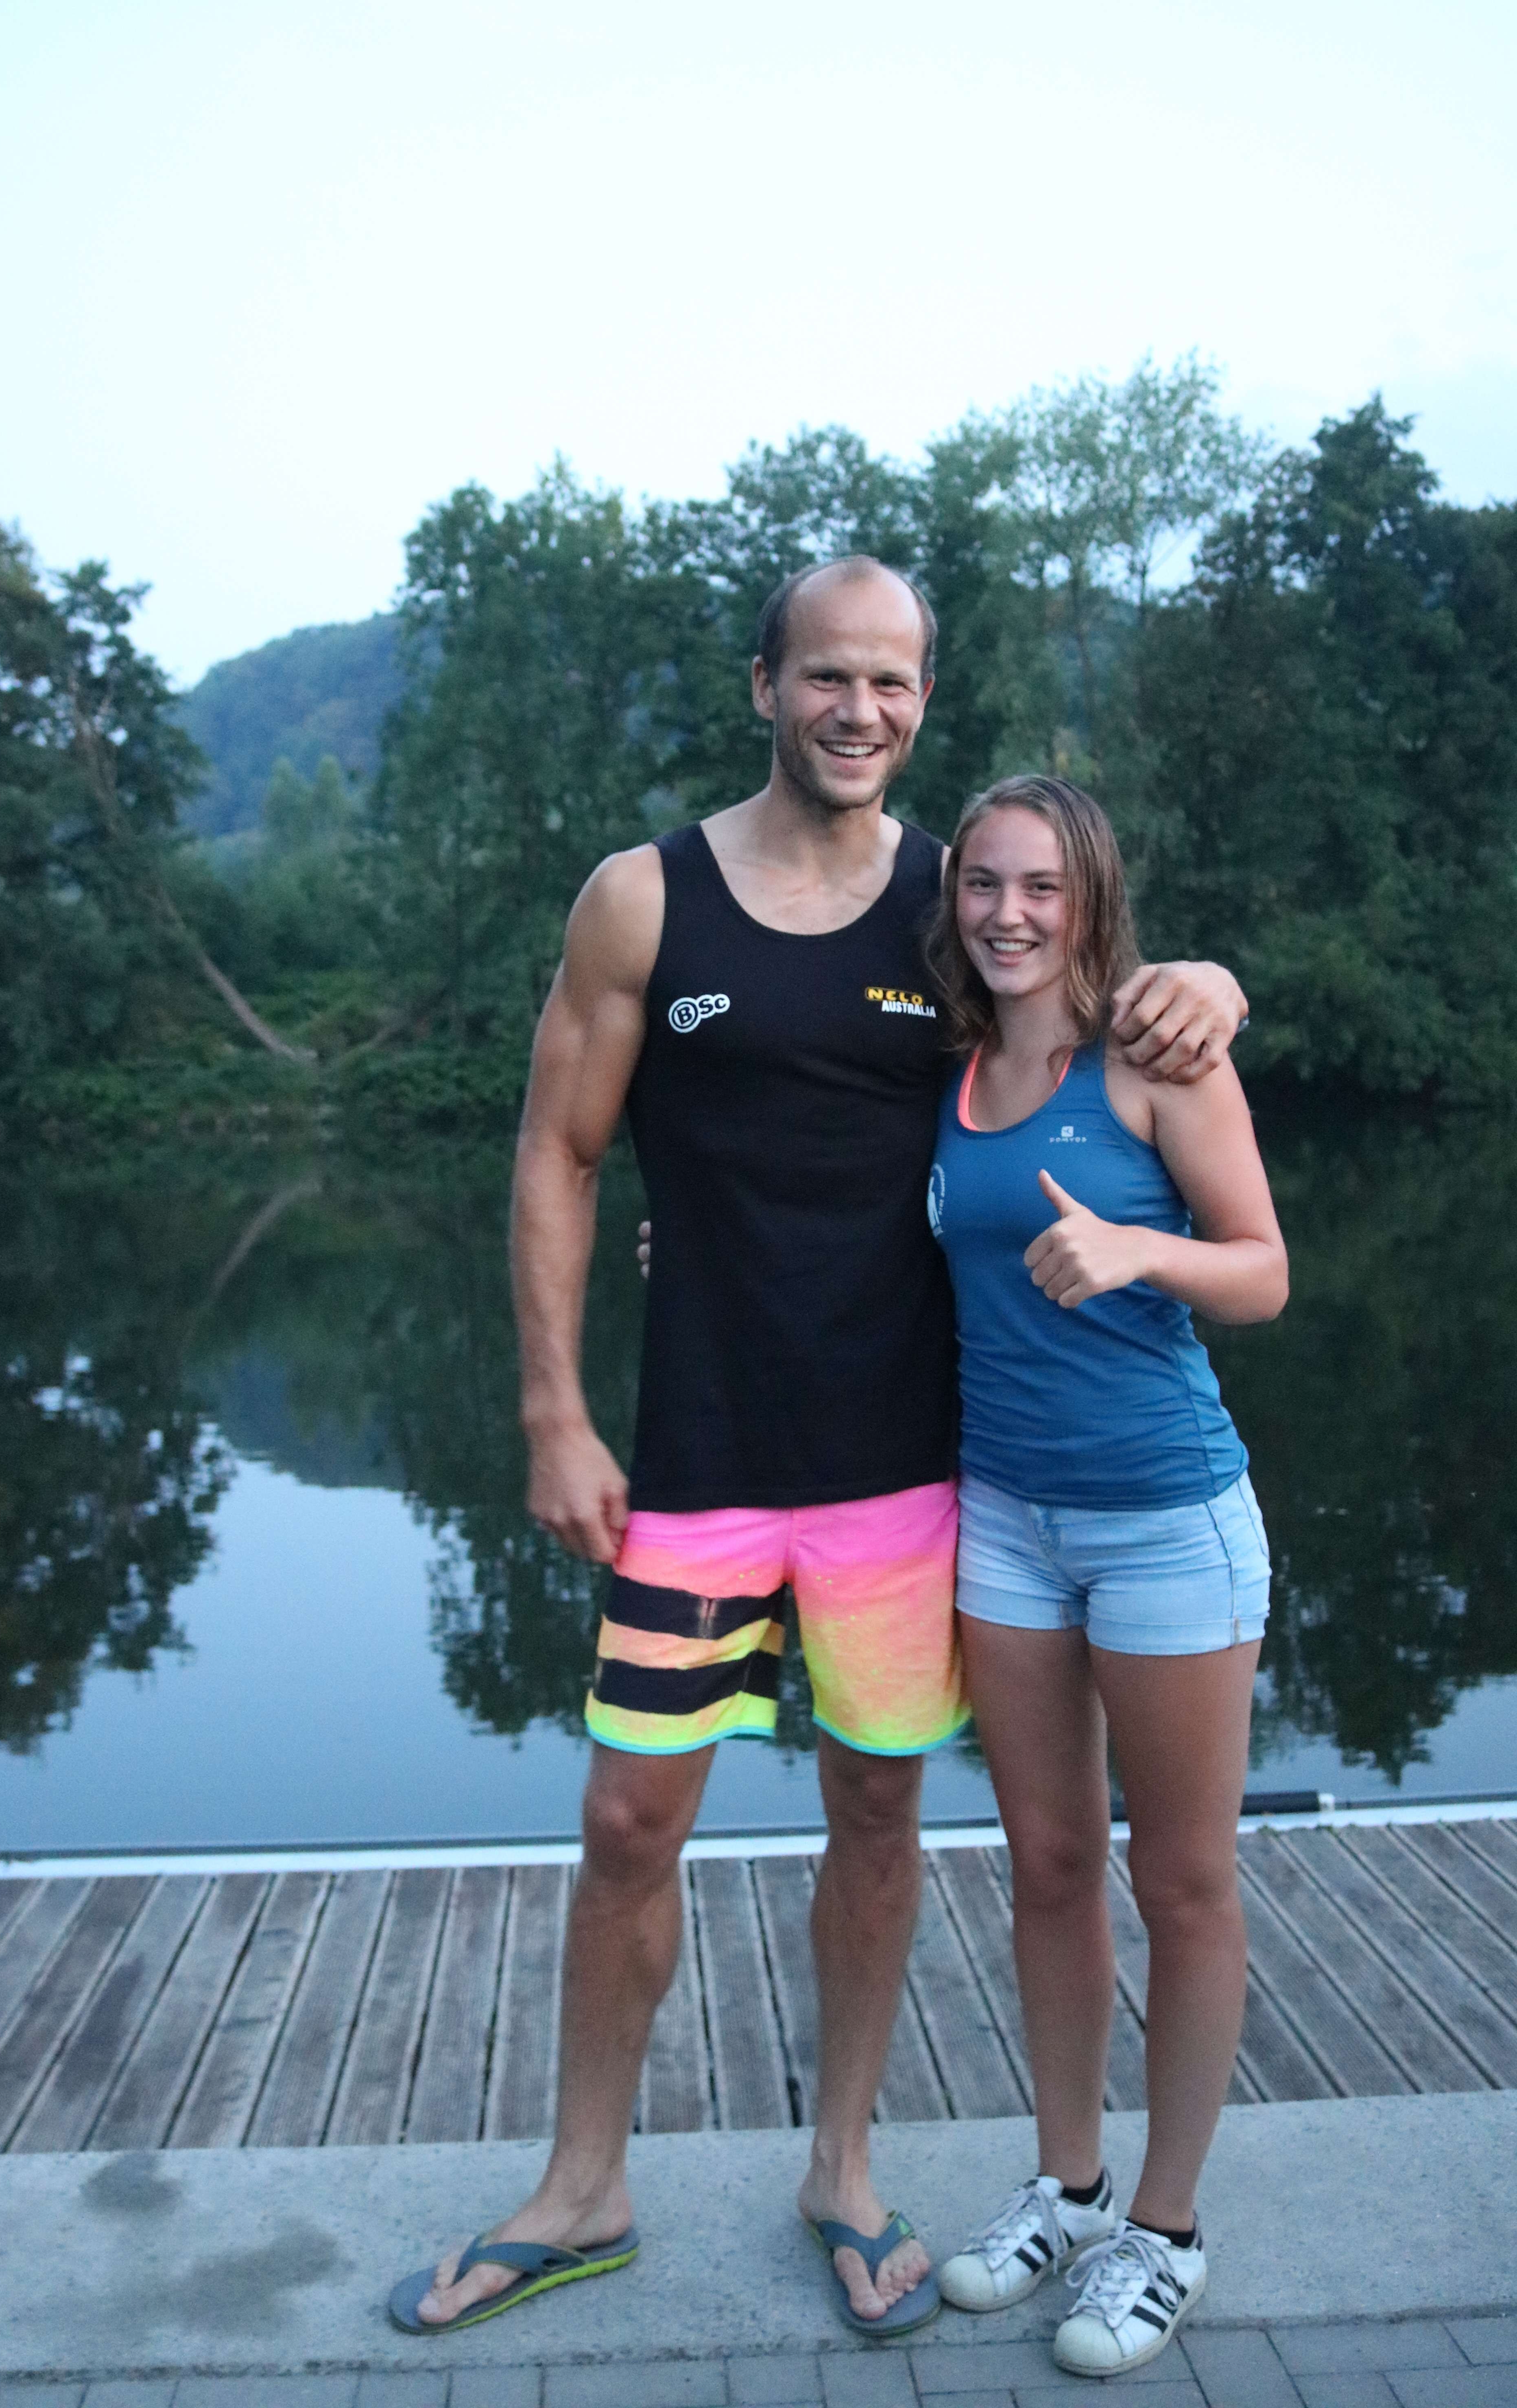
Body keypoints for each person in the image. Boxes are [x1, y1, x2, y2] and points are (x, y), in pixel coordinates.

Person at [388, 559, 1247, 2341]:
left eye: (894, 683)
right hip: (695, 1460)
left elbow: (1099, 1002)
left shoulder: (954, 906)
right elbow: (559, 1152)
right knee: (628, 1816)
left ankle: (841, 2172)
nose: (861, 711)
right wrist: (553, 1410)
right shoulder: (645, 899)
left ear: (924, 699)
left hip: (906, 1470)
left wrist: (1212, 983)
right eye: (829, 677)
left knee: (876, 1810)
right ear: (765, 684)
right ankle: (582, 2187)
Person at [923, 776, 1286, 2377]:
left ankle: (1165, 2230)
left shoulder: (1155, 1058)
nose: (1008, 914)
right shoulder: (946, 1069)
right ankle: (1066, 2193)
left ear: (1090, 903)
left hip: (1164, 1520)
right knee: (1052, 1866)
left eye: (1041, 889)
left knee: (1183, 1882)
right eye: (983, 884)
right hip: (1004, 1522)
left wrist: (1143, 1251)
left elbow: (1264, 1271)